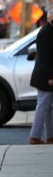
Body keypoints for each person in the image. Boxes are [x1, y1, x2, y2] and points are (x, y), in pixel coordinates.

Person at [29, 9, 53, 145]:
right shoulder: (45, 33)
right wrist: (50, 76)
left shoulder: (49, 32)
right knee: (43, 106)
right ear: (50, 18)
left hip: (47, 76)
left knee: (48, 108)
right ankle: (35, 137)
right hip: (45, 77)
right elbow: (44, 58)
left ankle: (50, 136)